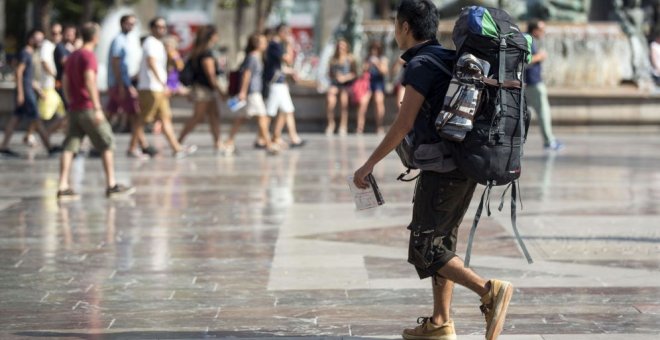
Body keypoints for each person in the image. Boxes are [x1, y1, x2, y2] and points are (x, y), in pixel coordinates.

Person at [352, 1, 513, 340]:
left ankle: (489, 290)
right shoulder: (447, 58)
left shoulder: (421, 65)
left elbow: (403, 123)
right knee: (442, 244)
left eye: (397, 24)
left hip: (443, 169)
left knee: (425, 248)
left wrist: (369, 163)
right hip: (465, 163)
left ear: (405, 27)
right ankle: (440, 323)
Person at [57, 22, 135, 200]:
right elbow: (90, 81)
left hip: (75, 108)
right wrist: (98, 107)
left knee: (70, 146)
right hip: (88, 107)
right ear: (95, 37)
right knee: (107, 143)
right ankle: (111, 184)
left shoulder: (73, 55)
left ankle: (63, 186)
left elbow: (66, 80)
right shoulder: (88, 55)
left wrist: (70, 102)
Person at [129, 17, 196, 159]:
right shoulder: (151, 43)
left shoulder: (158, 44)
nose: (162, 29)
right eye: (159, 27)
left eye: (164, 27)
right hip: (151, 87)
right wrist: (162, 83)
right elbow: (151, 62)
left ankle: (176, 148)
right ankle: (132, 148)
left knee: (166, 118)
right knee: (144, 119)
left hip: (158, 88)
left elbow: (176, 66)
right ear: (152, 28)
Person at [0, 29, 60, 157]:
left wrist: (38, 90)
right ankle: (49, 147)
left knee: (15, 119)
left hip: (28, 90)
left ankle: (3, 146)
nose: (40, 41)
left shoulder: (30, 53)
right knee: (36, 119)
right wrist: (21, 93)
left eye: (42, 38)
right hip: (26, 92)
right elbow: (19, 73)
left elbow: (28, 77)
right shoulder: (25, 53)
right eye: (38, 38)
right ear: (30, 39)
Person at [106, 14, 154, 157]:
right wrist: (122, 85)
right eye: (129, 23)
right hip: (120, 83)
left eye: (133, 23)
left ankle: (96, 142)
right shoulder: (119, 40)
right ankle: (138, 146)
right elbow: (116, 62)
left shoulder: (126, 40)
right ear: (122, 23)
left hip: (120, 82)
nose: (131, 26)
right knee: (134, 114)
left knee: (109, 114)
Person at [224, 33, 279, 156]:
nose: (265, 44)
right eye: (263, 42)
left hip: (253, 92)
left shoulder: (257, 57)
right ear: (256, 44)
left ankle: (229, 141)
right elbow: (246, 74)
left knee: (240, 118)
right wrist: (243, 91)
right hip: (252, 93)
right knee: (262, 117)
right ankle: (269, 144)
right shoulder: (252, 57)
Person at [177, 25, 226, 150]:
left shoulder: (199, 51)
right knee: (198, 117)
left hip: (206, 89)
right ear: (211, 36)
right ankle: (178, 141)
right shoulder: (206, 53)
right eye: (216, 34)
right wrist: (219, 90)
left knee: (214, 115)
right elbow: (210, 74)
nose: (217, 37)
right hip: (203, 90)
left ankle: (218, 142)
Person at [525, 19, 563, 151]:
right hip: (533, 83)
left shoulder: (529, 39)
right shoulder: (528, 40)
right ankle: (549, 141)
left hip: (530, 82)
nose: (544, 32)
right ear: (535, 30)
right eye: (542, 30)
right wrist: (539, 56)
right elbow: (525, 60)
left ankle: (549, 140)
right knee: (544, 113)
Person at [265, 24, 305, 148]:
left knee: (286, 110)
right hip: (275, 83)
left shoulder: (276, 45)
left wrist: (290, 72)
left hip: (280, 83)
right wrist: (289, 45)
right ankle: (263, 138)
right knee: (270, 113)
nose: (289, 36)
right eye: (287, 32)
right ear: (281, 32)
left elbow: (280, 66)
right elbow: (288, 60)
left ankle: (285, 137)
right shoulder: (274, 45)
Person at [37, 23, 67, 134]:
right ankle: (32, 135)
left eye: (59, 33)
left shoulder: (58, 46)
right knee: (42, 115)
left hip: (56, 86)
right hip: (48, 86)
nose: (56, 35)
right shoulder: (47, 45)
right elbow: (44, 62)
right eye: (54, 33)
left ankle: (46, 134)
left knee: (65, 115)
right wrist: (55, 75)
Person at [356, 40, 389, 134]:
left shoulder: (383, 59)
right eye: (373, 48)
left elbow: (385, 72)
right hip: (368, 83)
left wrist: (377, 63)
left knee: (379, 101)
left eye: (377, 48)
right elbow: (361, 71)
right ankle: (360, 127)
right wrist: (368, 64)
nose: (374, 50)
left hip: (378, 83)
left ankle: (379, 126)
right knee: (363, 102)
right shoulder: (367, 58)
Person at [325, 38, 357, 136]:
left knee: (344, 102)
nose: (340, 48)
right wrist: (335, 76)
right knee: (330, 100)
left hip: (346, 84)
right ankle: (331, 124)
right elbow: (329, 74)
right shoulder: (333, 59)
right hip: (335, 83)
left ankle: (343, 125)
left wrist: (345, 77)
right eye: (339, 46)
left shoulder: (350, 58)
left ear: (346, 48)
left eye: (343, 46)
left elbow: (354, 73)